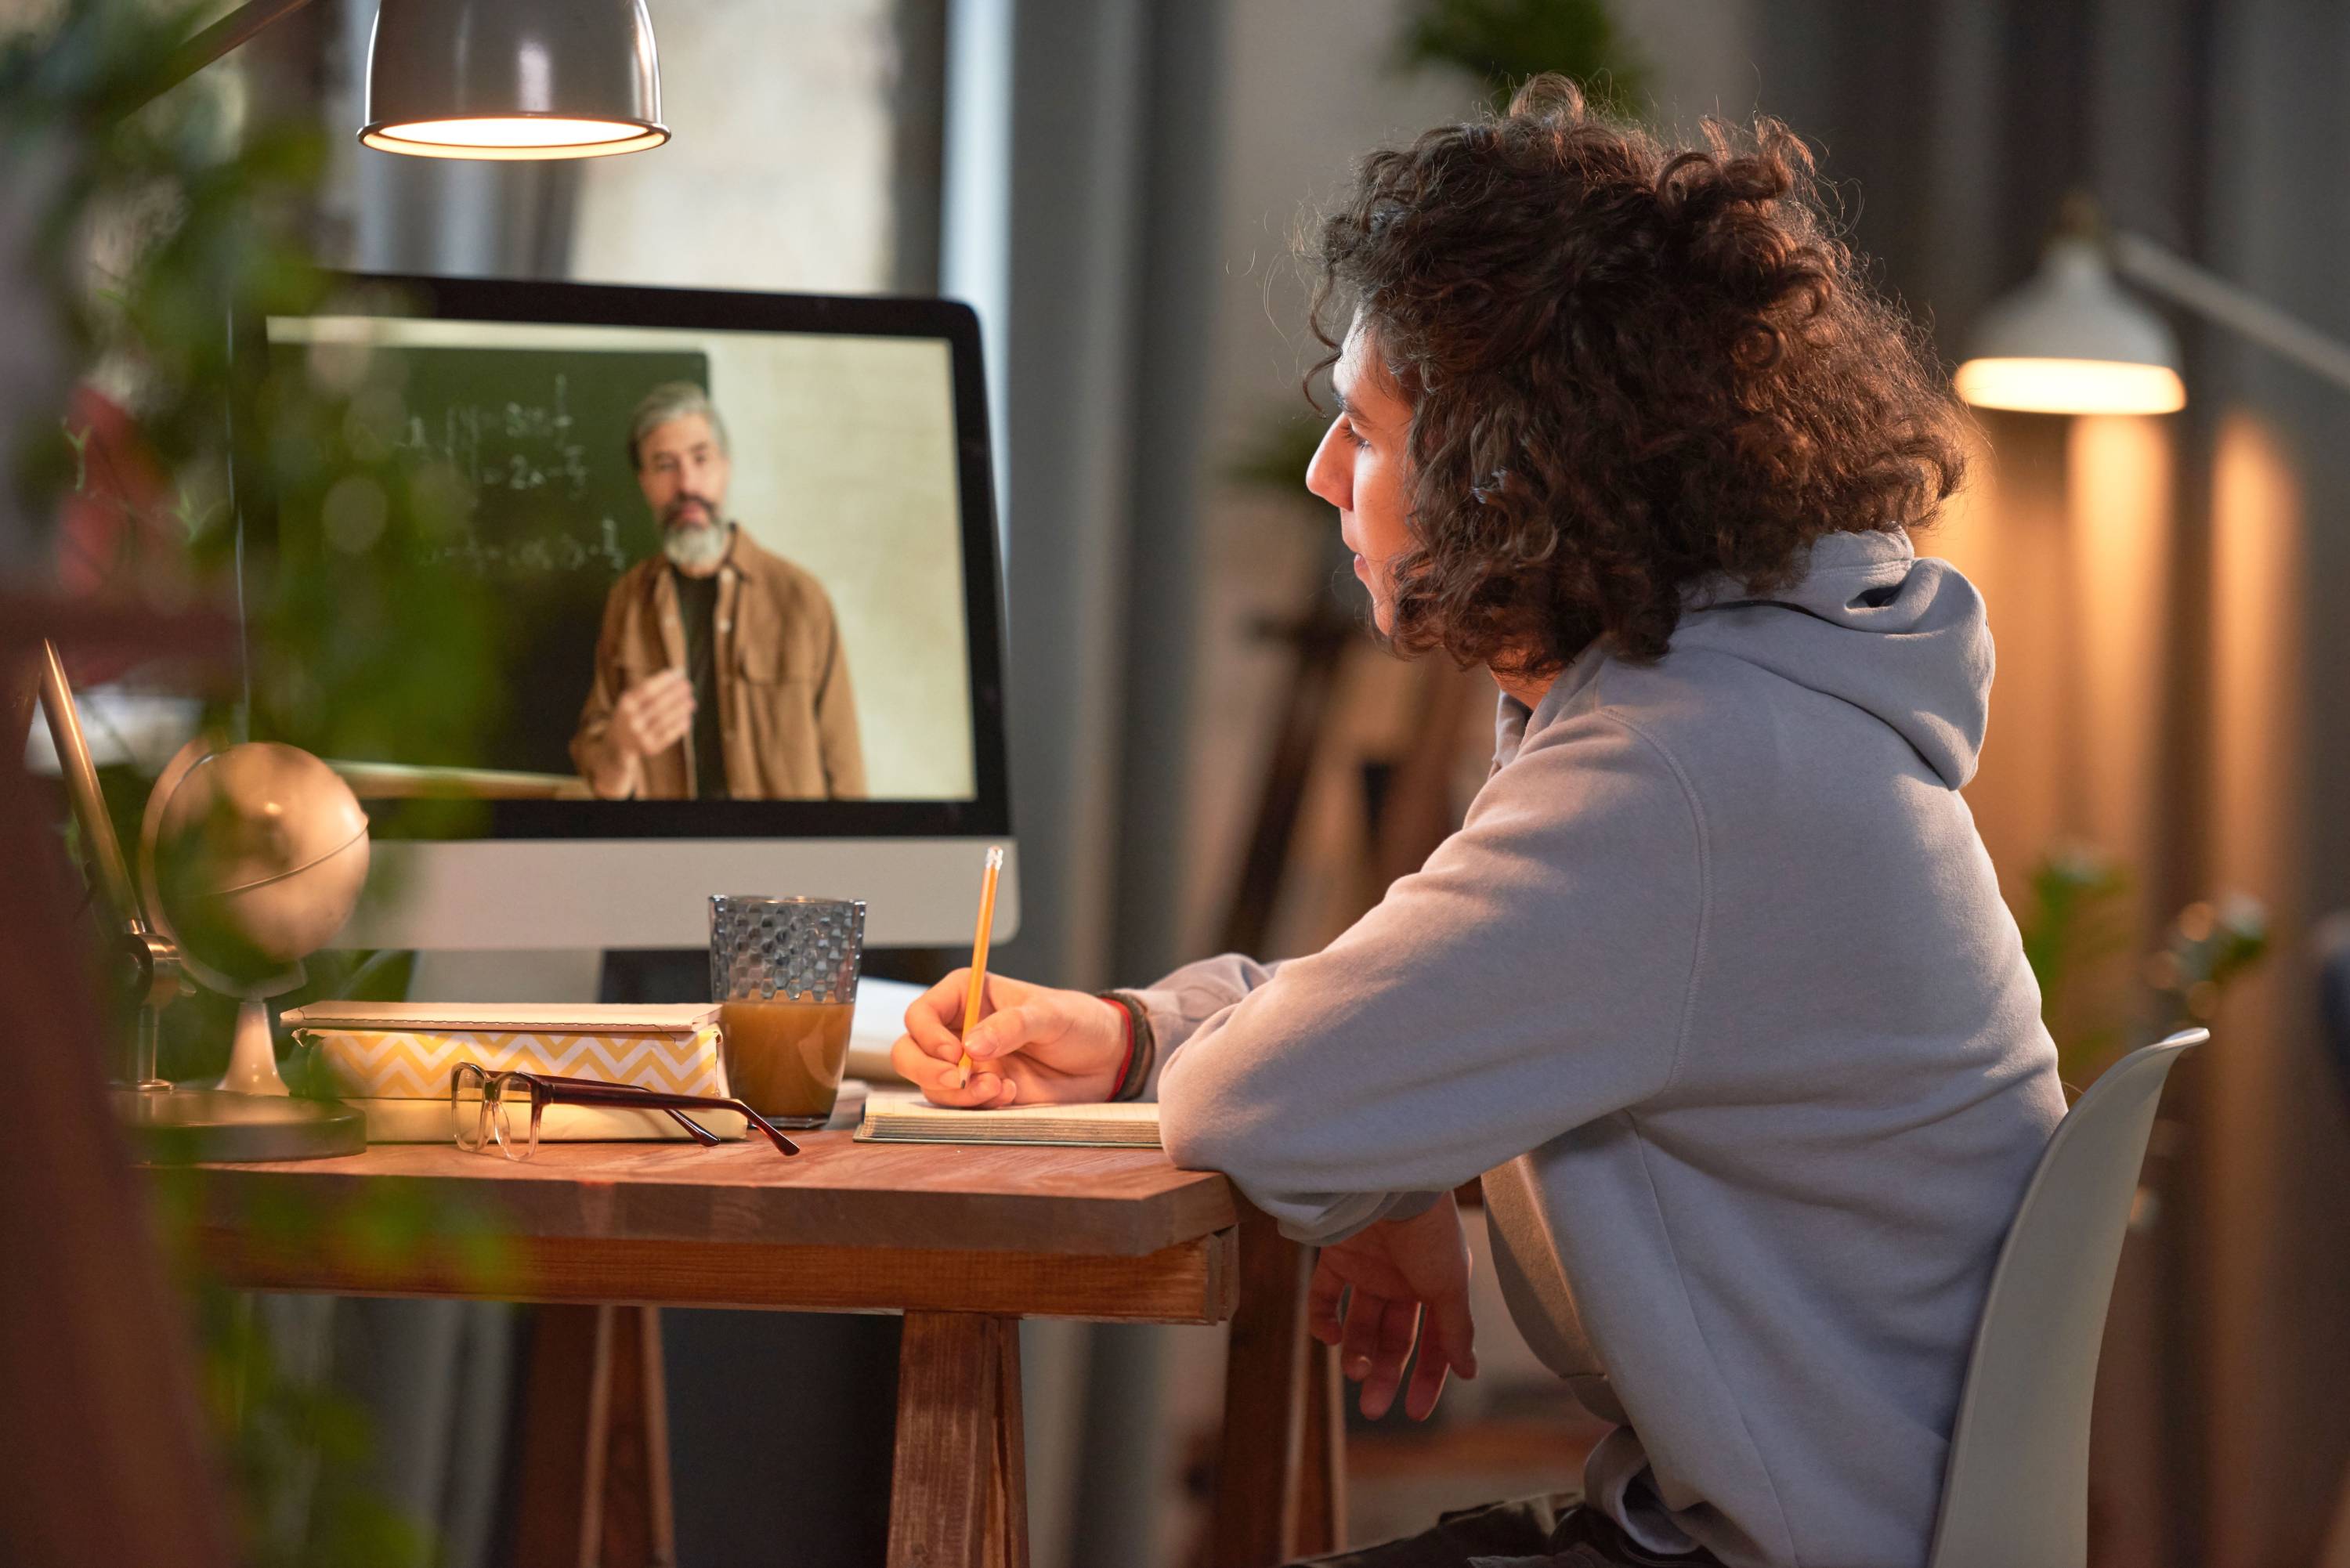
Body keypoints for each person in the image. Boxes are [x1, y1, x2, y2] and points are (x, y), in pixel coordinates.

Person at [889, 80, 2065, 1568]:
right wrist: (1143, 1036)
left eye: (1366, 433)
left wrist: (1374, 1142)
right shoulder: (1739, 714)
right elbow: (1399, 1026)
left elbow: (1264, 1106)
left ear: (1516, 475)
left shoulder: (1679, 776)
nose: (1325, 475)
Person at [570, 382, 866, 800]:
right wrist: (620, 749)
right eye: (664, 465)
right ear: (644, 483)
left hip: (781, 858)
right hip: (667, 856)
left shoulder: (801, 599)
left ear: (725, 467)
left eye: (701, 458)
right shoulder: (628, 601)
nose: (687, 484)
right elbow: (600, 764)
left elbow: (847, 776)